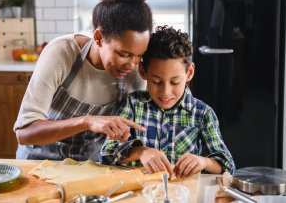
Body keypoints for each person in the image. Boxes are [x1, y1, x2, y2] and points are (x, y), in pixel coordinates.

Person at [14, 0, 153, 161]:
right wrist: (87, 121)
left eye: (139, 55)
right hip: (39, 161)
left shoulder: (135, 74)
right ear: (98, 37)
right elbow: (25, 133)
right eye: (123, 54)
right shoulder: (62, 53)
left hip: (90, 166)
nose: (132, 64)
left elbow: (127, 138)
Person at [100, 25, 235, 177]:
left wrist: (204, 162)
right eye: (156, 81)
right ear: (143, 71)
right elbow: (107, 154)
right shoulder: (133, 104)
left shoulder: (203, 113)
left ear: (189, 73)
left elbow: (227, 166)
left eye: (175, 82)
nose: (165, 92)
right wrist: (139, 152)